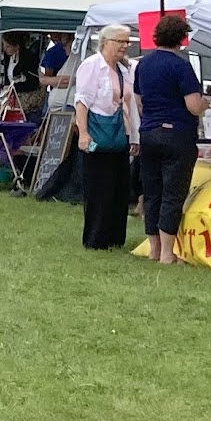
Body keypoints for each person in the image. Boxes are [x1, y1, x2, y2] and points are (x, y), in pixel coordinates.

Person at [132, 15, 207, 264]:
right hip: (177, 133)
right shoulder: (181, 66)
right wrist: (205, 103)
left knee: (152, 191)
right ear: (181, 38)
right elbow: (194, 105)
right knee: (173, 193)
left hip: (149, 132)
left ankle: (154, 249)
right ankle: (167, 253)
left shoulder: (143, 64)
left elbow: (139, 101)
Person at [73, 24, 139, 251]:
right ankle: (95, 238)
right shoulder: (92, 66)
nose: (125, 46)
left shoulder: (124, 69)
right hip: (97, 132)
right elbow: (82, 101)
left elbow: (130, 105)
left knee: (120, 188)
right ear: (105, 42)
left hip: (120, 133)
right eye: (120, 41)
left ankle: (115, 237)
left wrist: (134, 137)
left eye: (127, 42)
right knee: (98, 187)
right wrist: (83, 133)